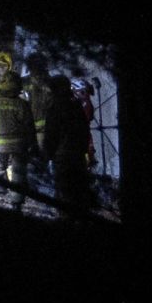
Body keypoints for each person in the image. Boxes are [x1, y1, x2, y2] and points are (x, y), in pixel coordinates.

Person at [0, 72, 37, 207]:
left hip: (0, 145)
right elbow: (29, 126)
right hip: (19, 145)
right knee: (18, 172)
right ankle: (16, 202)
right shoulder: (22, 104)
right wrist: (32, 143)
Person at [44, 75, 97, 214]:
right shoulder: (76, 105)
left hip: (62, 157)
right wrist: (84, 150)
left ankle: (65, 218)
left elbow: (51, 135)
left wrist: (47, 154)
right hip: (78, 155)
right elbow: (85, 129)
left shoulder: (55, 107)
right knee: (78, 190)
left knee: (64, 190)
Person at [21, 53, 52, 154]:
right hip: (32, 128)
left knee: (40, 157)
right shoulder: (51, 81)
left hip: (41, 128)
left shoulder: (50, 82)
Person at [71, 77, 97, 168]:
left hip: (82, 139)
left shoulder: (84, 103)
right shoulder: (84, 102)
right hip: (84, 139)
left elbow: (88, 117)